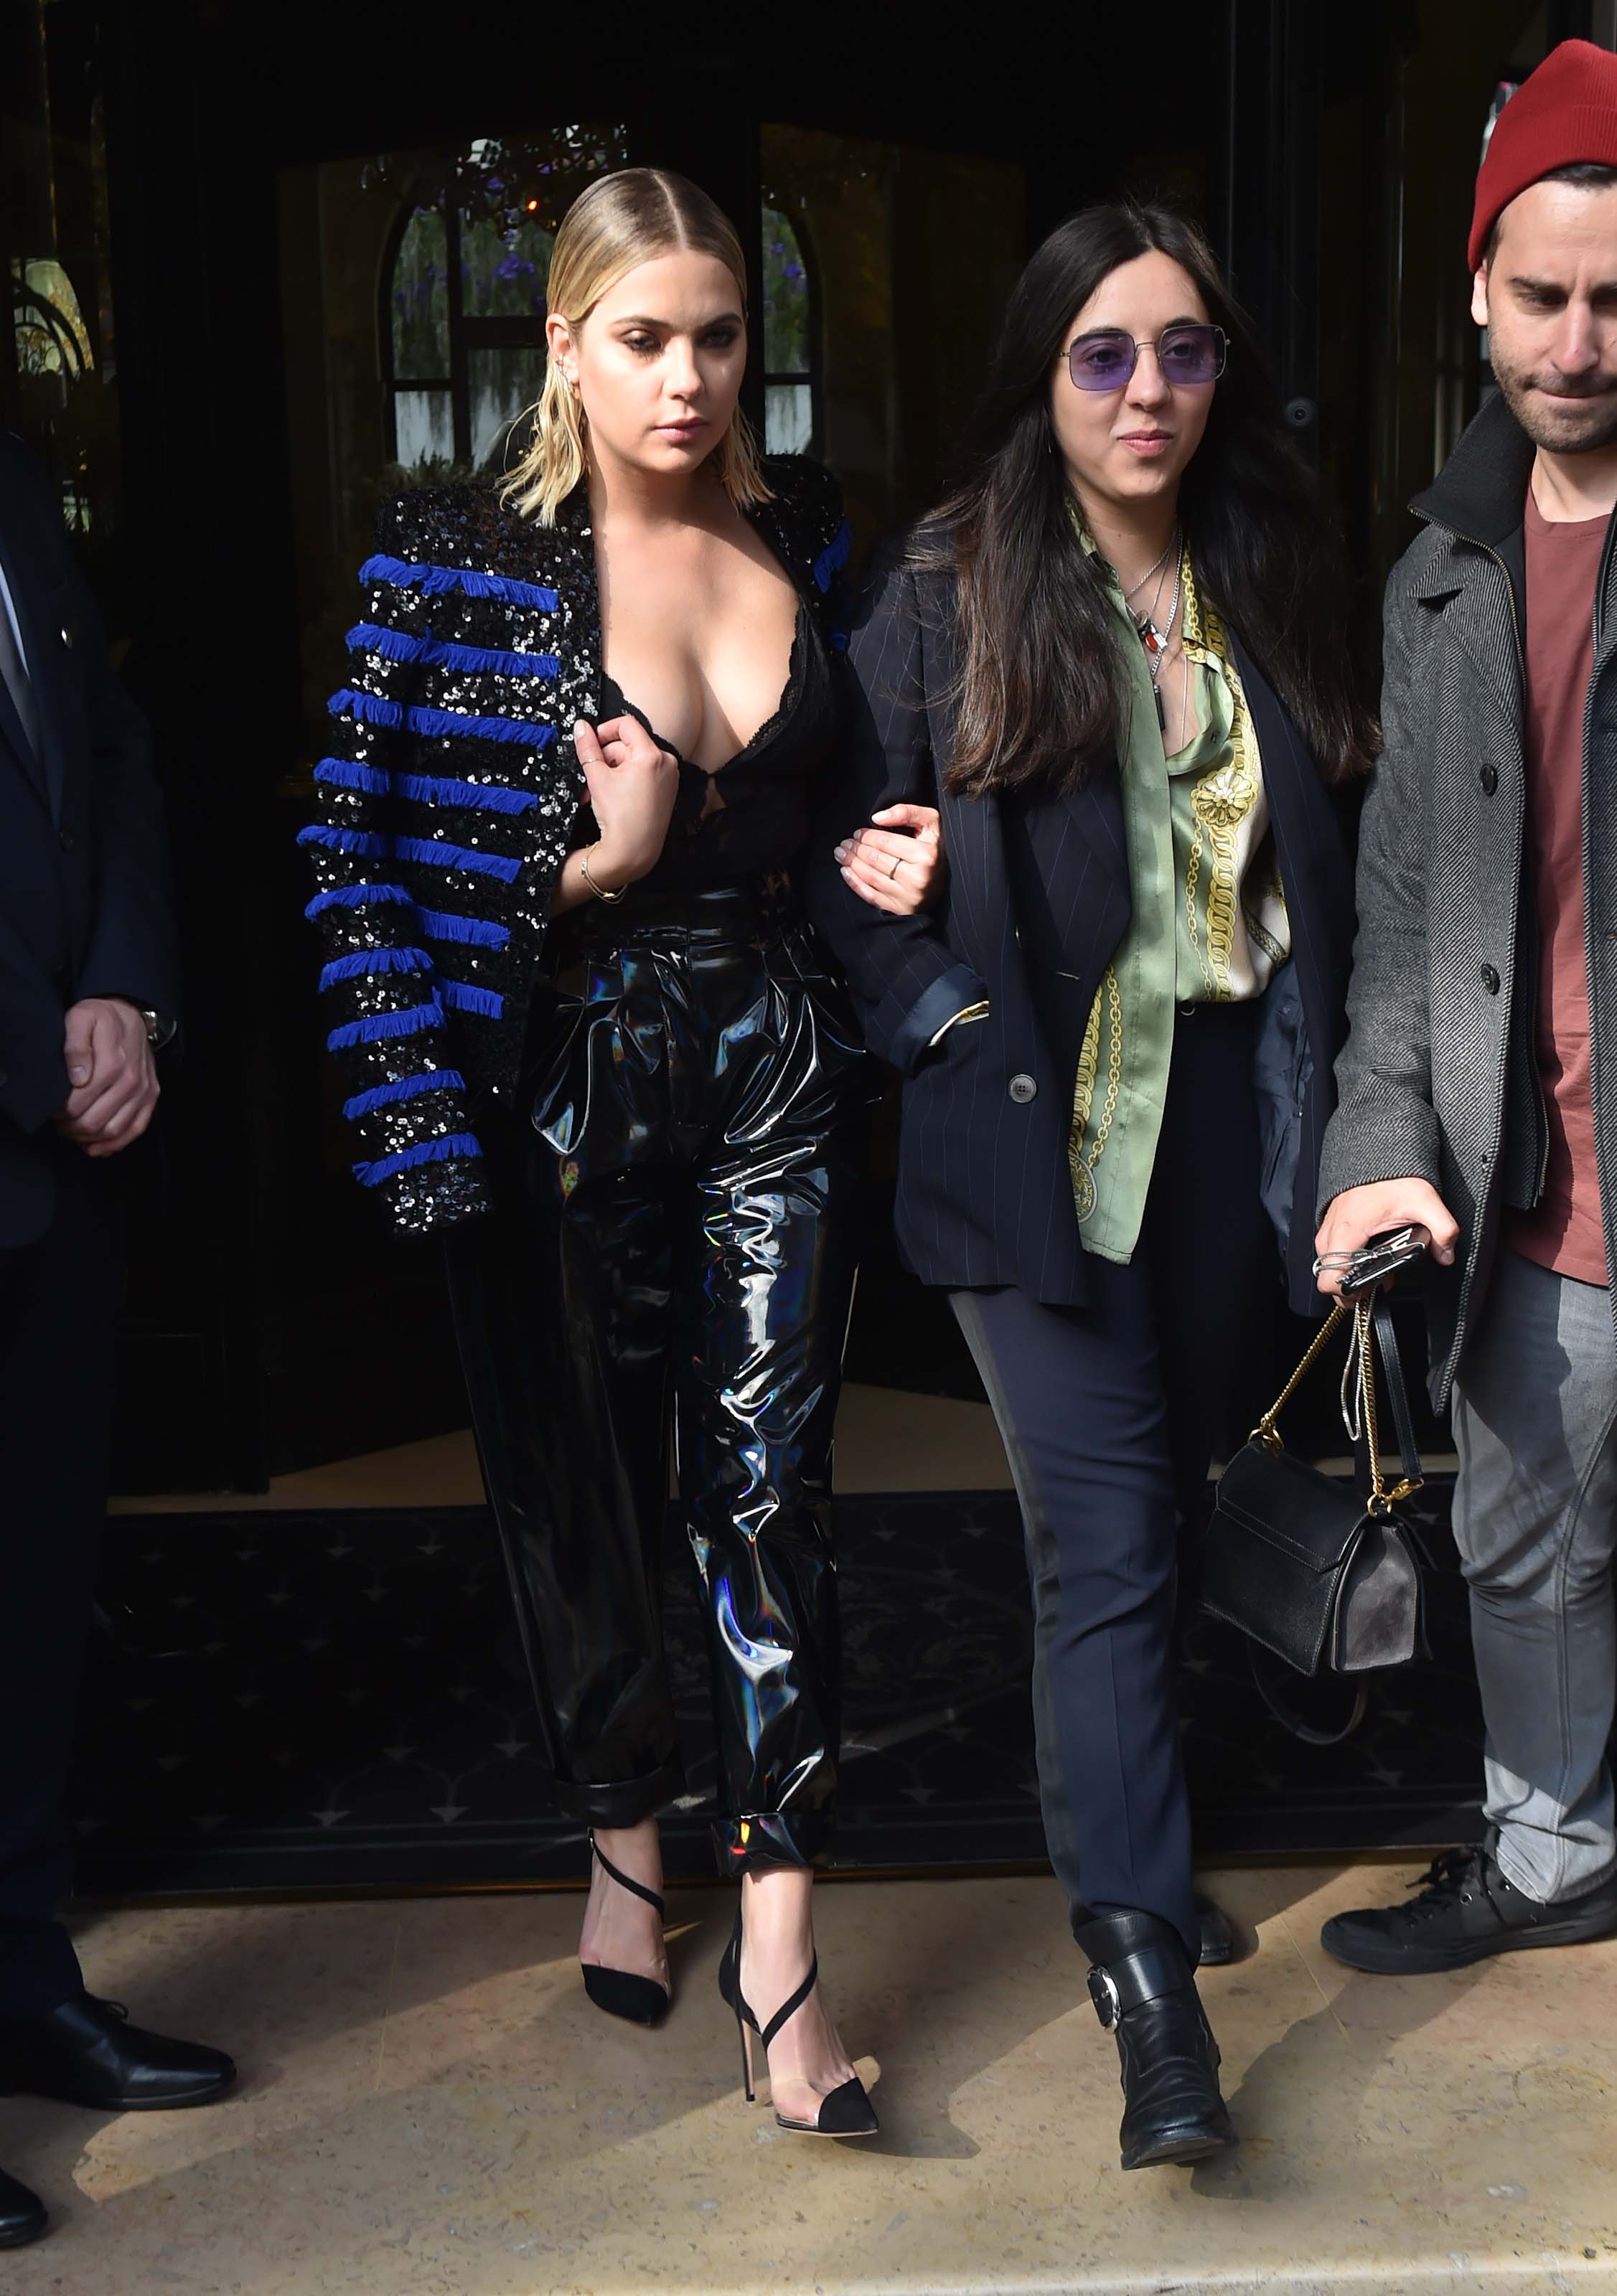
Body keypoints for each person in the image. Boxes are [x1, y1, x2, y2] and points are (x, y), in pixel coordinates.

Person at [301, 167, 943, 2140]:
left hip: (776, 1068)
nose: (684, 379)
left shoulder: (808, 537)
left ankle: (776, 1950)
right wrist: (582, 868)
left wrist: (879, 850)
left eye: (717, 337)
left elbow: (856, 787)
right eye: (641, 338)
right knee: (579, 1493)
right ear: (563, 346)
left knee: (767, 1498)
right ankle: (618, 1835)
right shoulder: (454, 554)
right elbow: (342, 857)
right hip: (554, 1075)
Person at [815, 201, 1367, 2170]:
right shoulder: (947, 586)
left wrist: (1357, 1140)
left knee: (1181, 1489)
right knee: (1106, 1540)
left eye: (1184, 351)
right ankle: (1147, 1987)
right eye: (1102, 354)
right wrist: (940, 1006)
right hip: (1030, 1139)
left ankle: (1123, 1836)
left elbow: (1332, 863)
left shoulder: (1271, 565)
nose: (1146, 392)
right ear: (1041, 372)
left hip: (1238, 1123)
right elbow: (833, 853)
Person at [1316, 39, 1617, 1975]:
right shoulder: (1435, 575)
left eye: (1615, 297)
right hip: (1525, 1192)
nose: (1578, 342)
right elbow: (1394, 923)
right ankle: (1550, 1856)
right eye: (1540, 296)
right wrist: (1370, 1155)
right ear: (1474, 292)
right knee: (1516, 1550)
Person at [0, 431, 235, 2252]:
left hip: (51, 1168)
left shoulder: (11, 478)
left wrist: (118, 984)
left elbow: (114, 751)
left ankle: (22, 1983)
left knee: (28, 1605)